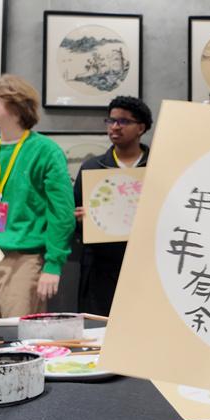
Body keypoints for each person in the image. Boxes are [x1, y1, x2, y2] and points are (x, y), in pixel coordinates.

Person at [0, 75, 75, 318]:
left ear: (17, 106)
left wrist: (53, 264)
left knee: (18, 333)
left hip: (24, 259)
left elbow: (61, 213)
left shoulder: (46, 152)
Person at [74, 96, 152, 316]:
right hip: (101, 266)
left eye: (124, 121)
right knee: (100, 325)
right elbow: (75, 214)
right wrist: (80, 220)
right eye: (111, 121)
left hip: (146, 262)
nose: (115, 127)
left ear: (141, 128)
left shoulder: (156, 166)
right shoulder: (92, 167)